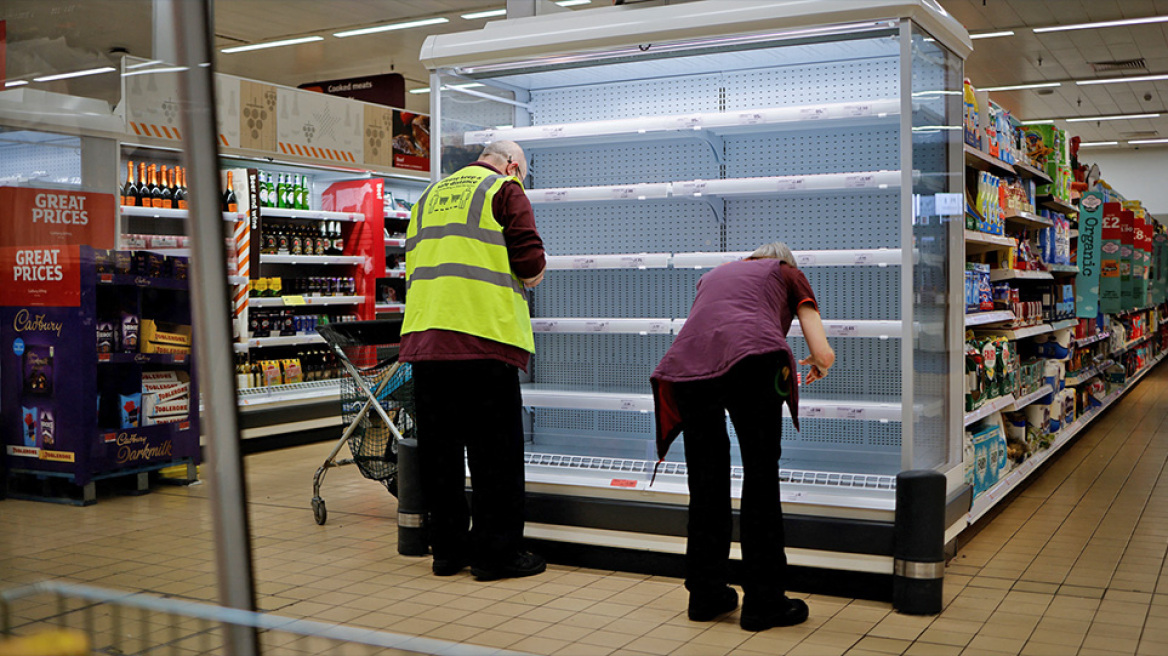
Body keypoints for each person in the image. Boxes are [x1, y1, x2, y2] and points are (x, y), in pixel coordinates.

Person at [650, 242, 834, 632]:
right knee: (760, 477)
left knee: (706, 481)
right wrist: (820, 363)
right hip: (755, 361)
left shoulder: (714, 275)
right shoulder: (787, 272)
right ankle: (764, 602)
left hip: (688, 368)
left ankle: (706, 595)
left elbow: (713, 326)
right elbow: (822, 350)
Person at [400, 140, 547, 581]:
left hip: (427, 339)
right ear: (513, 166)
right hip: (483, 338)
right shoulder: (504, 189)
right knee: (495, 455)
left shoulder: (429, 197)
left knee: (440, 456)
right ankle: (495, 555)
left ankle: (447, 552)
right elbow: (530, 266)